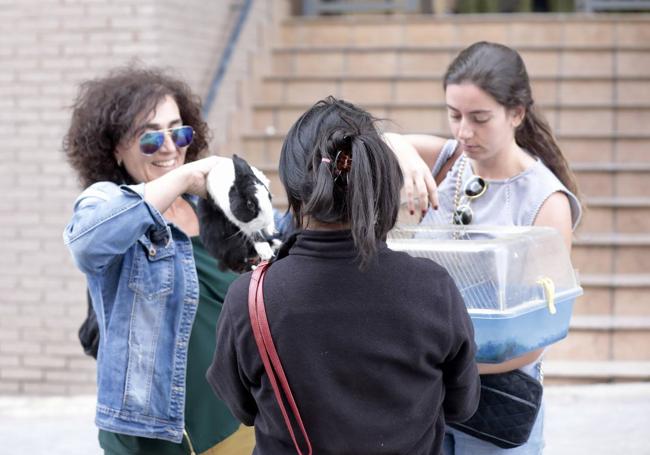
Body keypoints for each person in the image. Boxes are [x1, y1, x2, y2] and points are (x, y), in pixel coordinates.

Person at [206, 96, 481, 454]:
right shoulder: (433, 289)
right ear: (381, 183)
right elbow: (462, 405)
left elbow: (241, 406)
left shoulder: (250, 297)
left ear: (294, 190)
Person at [384, 41, 583, 454]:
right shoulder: (445, 160)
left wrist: (439, 365)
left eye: (479, 118)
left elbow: (535, 335)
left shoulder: (546, 202)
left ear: (516, 114)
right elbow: (375, 139)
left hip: (492, 405)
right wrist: (404, 154)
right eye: (454, 115)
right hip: (428, 398)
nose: (463, 132)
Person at [63, 67, 254, 454]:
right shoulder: (107, 202)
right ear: (116, 147)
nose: (170, 147)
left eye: (178, 131)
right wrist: (183, 178)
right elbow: (87, 242)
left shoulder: (212, 209)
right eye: (149, 136)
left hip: (236, 424)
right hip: (151, 437)